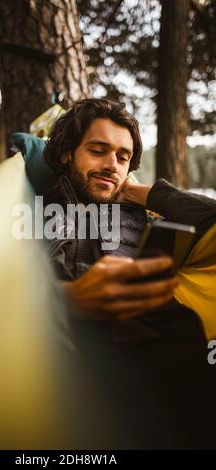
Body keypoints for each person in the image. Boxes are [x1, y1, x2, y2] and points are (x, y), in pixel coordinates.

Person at [42, 98, 216, 448]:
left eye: (123, 157)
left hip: (183, 349)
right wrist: (71, 299)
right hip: (111, 374)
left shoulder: (142, 215)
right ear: (66, 154)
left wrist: (139, 191)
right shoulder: (45, 214)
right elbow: (17, 285)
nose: (112, 165)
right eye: (98, 150)